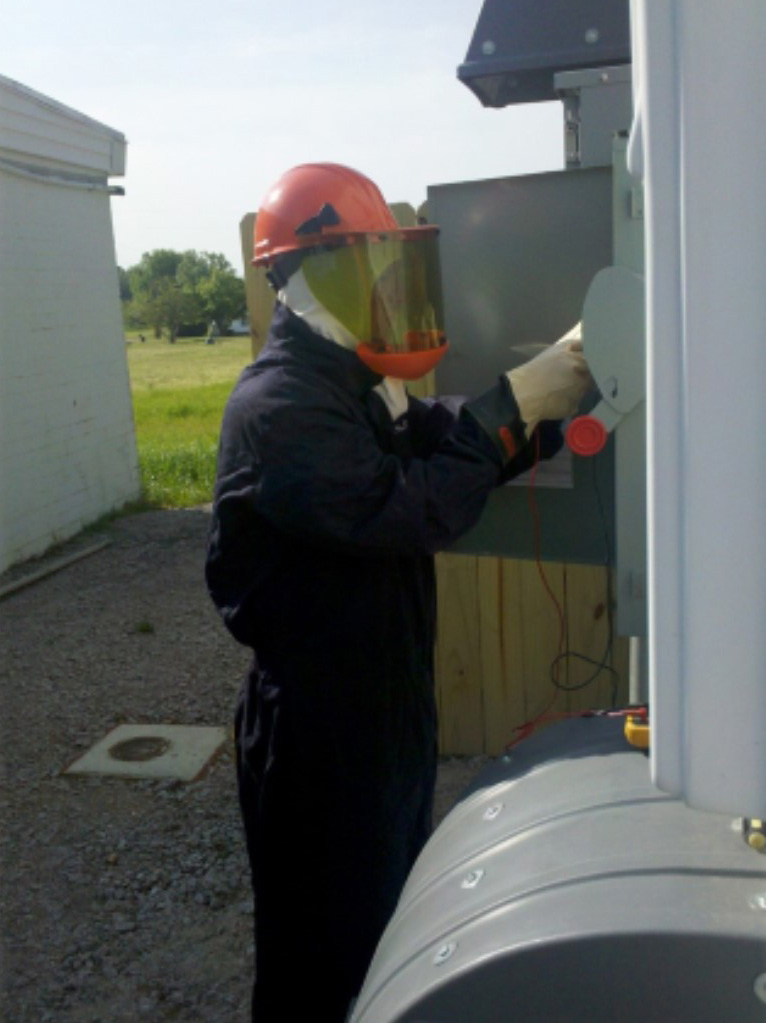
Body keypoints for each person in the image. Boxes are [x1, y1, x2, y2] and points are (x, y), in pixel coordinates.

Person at [205, 162, 591, 1023]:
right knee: (322, 955)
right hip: (317, 729)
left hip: (379, 709)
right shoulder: (283, 408)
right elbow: (406, 505)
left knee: (388, 927)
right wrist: (511, 407)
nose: (385, 288)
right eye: (368, 269)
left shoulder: (346, 383)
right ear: (313, 273)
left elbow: (441, 437)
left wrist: (549, 396)